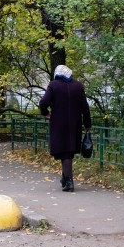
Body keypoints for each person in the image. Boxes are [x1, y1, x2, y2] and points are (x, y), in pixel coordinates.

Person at [39, 64, 91, 193]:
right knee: (68, 151)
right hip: (75, 124)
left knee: (65, 152)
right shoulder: (78, 86)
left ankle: (68, 181)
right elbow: (85, 108)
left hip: (59, 124)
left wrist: (46, 113)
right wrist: (87, 125)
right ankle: (65, 177)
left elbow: (43, 102)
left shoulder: (53, 85)